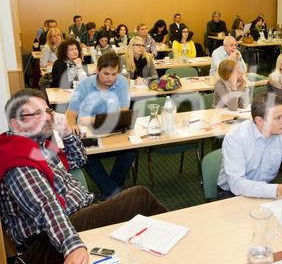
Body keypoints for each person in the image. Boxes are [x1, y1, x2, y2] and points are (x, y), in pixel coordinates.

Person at [0, 89, 167, 264]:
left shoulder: (38, 144)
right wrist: (72, 247)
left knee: (136, 220)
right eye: (37, 113)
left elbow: (79, 159)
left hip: (75, 215)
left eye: (47, 111)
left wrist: (66, 133)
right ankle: (176, 240)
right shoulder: (18, 159)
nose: (48, 118)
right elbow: (46, 207)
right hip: (46, 239)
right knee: (140, 198)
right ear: (17, 124)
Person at [65, 52, 137, 199]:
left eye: (113, 74)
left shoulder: (122, 82)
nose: (110, 78)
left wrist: (98, 119)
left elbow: (122, 113)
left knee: (131, 150)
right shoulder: (85, 85)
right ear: (97, 70)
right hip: (89, 132)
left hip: (113, 131)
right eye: (105, 74)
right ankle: (114, 193)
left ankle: (109, 190)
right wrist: (72, 125)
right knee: (84, 155)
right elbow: (70, 114)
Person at [217, 92, 282, 199]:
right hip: (232, 192)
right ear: (259, 121)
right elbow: (237, 184)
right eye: (278, 118)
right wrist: (277, 190)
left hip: (265, 188)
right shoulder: (235, 138)